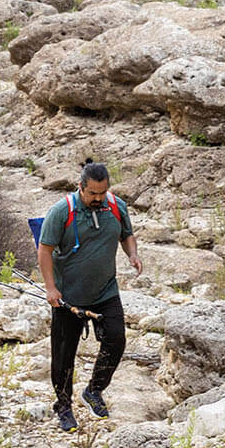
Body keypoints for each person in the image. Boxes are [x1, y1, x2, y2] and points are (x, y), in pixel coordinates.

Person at [37, 162, 142, 430]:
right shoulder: (62, 211)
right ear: (81, 187)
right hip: (68, 296)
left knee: (116, 340)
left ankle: (94, 390)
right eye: (93, 193)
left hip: (105, 291)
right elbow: (45, 250)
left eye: (102, 192)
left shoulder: (116, 206)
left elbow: (127, 235)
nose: (98, 198)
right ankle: (63, 406)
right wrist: (51, 288)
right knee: (64, 356)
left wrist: (132, 254)